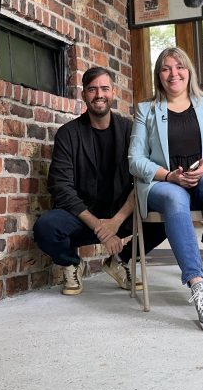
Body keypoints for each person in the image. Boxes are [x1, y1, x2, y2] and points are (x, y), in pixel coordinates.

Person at [128, 47, 203, 333]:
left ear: (189, 71)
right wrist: (169, 176)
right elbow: (135, 160)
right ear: (158, 75)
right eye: (166, 68)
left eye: (179, 67)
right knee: (176, 198)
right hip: (162, 184)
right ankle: (198, 287)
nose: (173, 73)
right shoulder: (146, 109)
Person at [35, 66, 165, 295]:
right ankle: (71, 263)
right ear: (84, 94)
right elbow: (60, 188)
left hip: (122, 214)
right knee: (46, 227)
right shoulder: (68, 134)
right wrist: (99, 226)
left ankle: (120, 260)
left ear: (112, 92)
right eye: (92, 89)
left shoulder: (131, 131)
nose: (99, 95)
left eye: (104, 88)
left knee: (166, 215)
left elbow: (143, 180)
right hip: (82, 217)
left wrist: (115, 222)